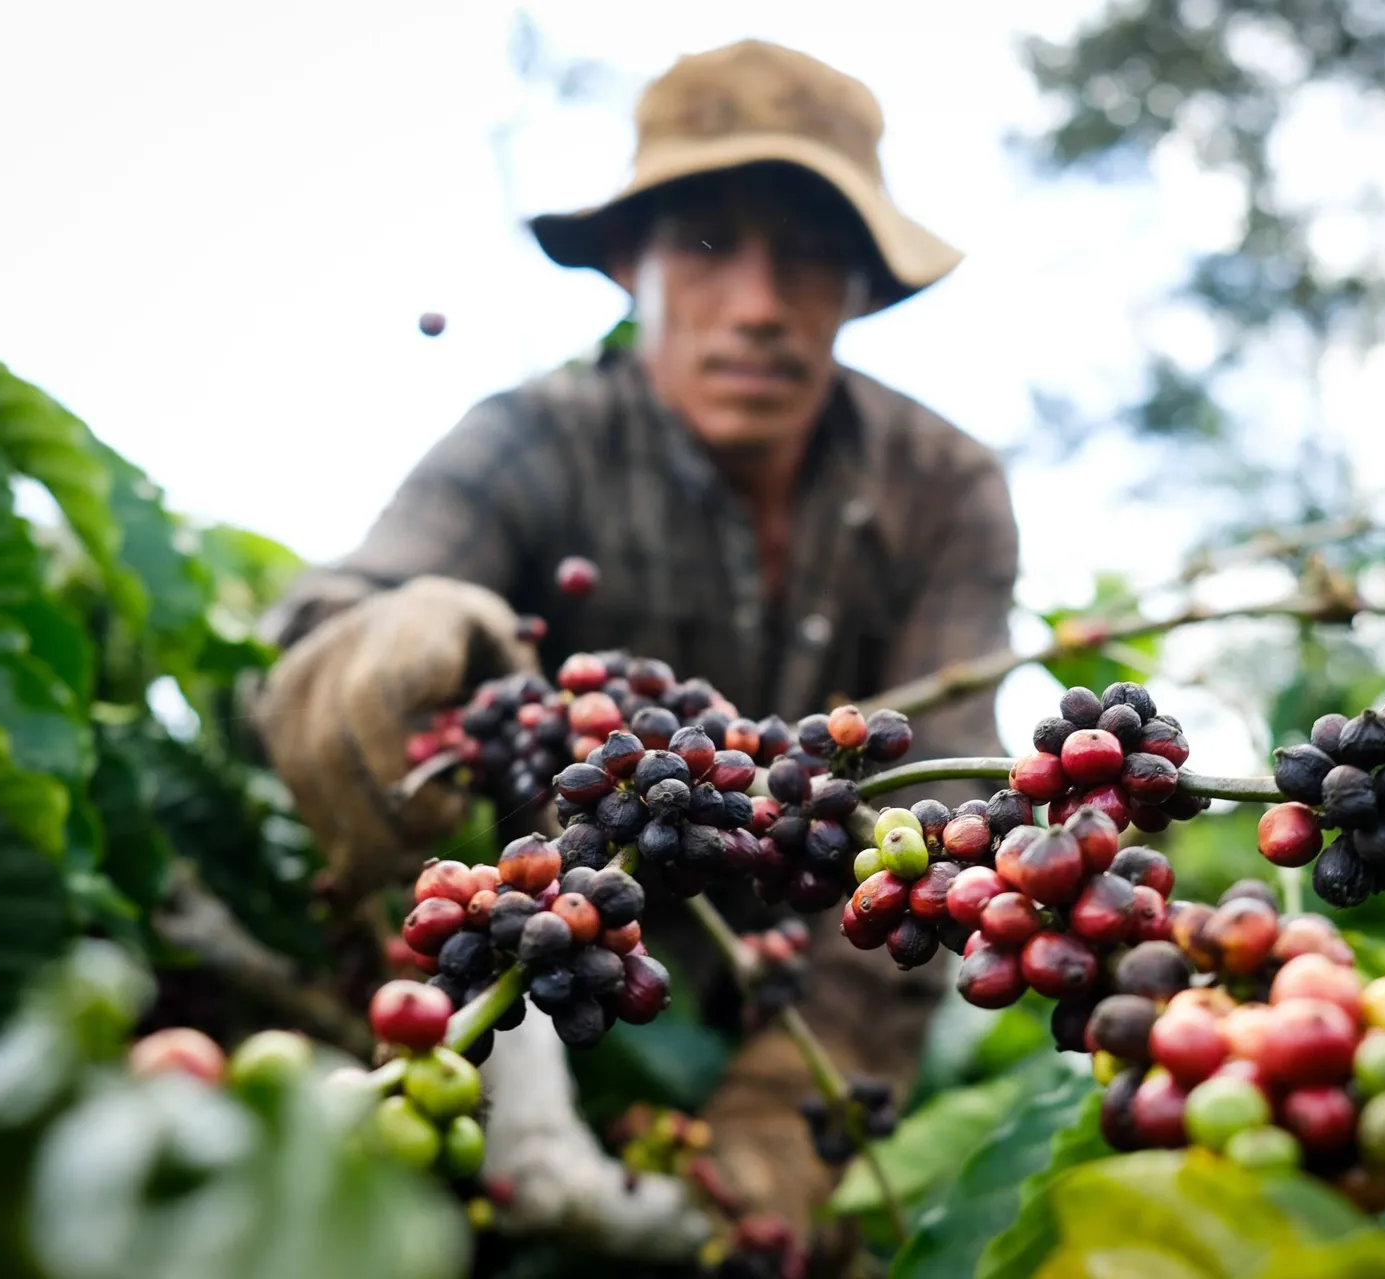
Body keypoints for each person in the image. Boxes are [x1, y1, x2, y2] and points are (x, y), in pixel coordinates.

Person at [252, 38, 1019, 1265]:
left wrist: (767, 1146)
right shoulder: (530, 440)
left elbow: (940, 832)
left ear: (860, 287)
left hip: (781, 1012)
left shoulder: (942, 491)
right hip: (523, 986)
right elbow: (322, 629)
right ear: (628, 265)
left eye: (807, 253)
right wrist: (382, 649)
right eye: (708, 244)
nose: (758, 304)